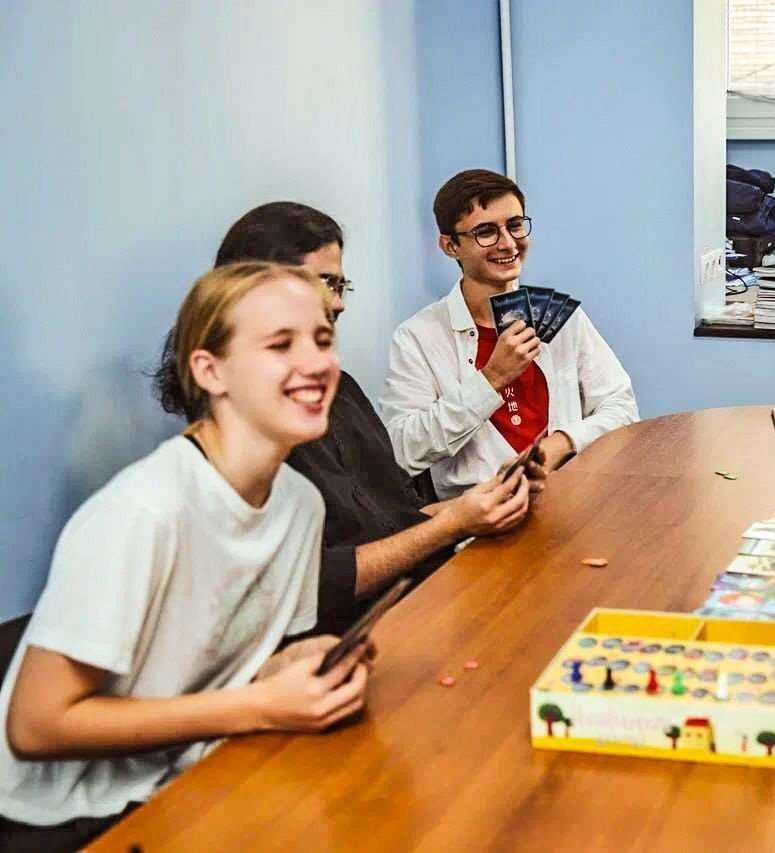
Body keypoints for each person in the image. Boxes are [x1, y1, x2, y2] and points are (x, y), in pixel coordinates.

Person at [0, 263, 373, 852]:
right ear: (210, 370)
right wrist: (255, 706)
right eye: (281, 344)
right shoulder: (142, 512)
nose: (317, 362)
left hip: (190, 774)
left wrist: (303, 665)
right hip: (69, 819)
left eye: (322, 339)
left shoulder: (301, 503)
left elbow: (251, 660)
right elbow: (34, 725)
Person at [185, 202, 536, 633]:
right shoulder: (221, 454)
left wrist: (477, 505)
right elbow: (314, 585)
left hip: (423, 598)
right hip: (369, 630)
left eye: (341, 286)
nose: (338, 305)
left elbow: (392, 518)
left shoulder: (341, 390)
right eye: (324, 284)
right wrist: (454, 522)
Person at [380, 169, 639, 498]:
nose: (508, 243)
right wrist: (490, 380)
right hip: (478, 521)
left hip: (572, 501)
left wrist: (562, 443)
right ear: (450, 246)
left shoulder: (562, 319)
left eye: (515, 225)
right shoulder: (417, 338)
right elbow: (402, 452)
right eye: (486, 232)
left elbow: (622, 409)